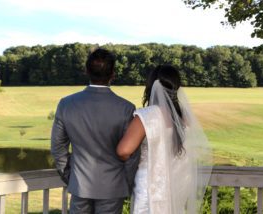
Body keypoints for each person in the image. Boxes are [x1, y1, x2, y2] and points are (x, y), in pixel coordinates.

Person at [51, 48, 140, 214]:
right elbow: (132, 155)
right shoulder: (126, 108)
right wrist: (124, 182)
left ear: (86, 71)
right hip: (113, 188)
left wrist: (71, 178)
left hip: (80, 186)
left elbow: (58, 148)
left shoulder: (66, 104)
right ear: (113, 74)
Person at [117, 65, 212, 213]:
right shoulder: (184, 119)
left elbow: (124, 150)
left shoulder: (146, 116)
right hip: (176, 185)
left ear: (151, 86)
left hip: (150, 185)